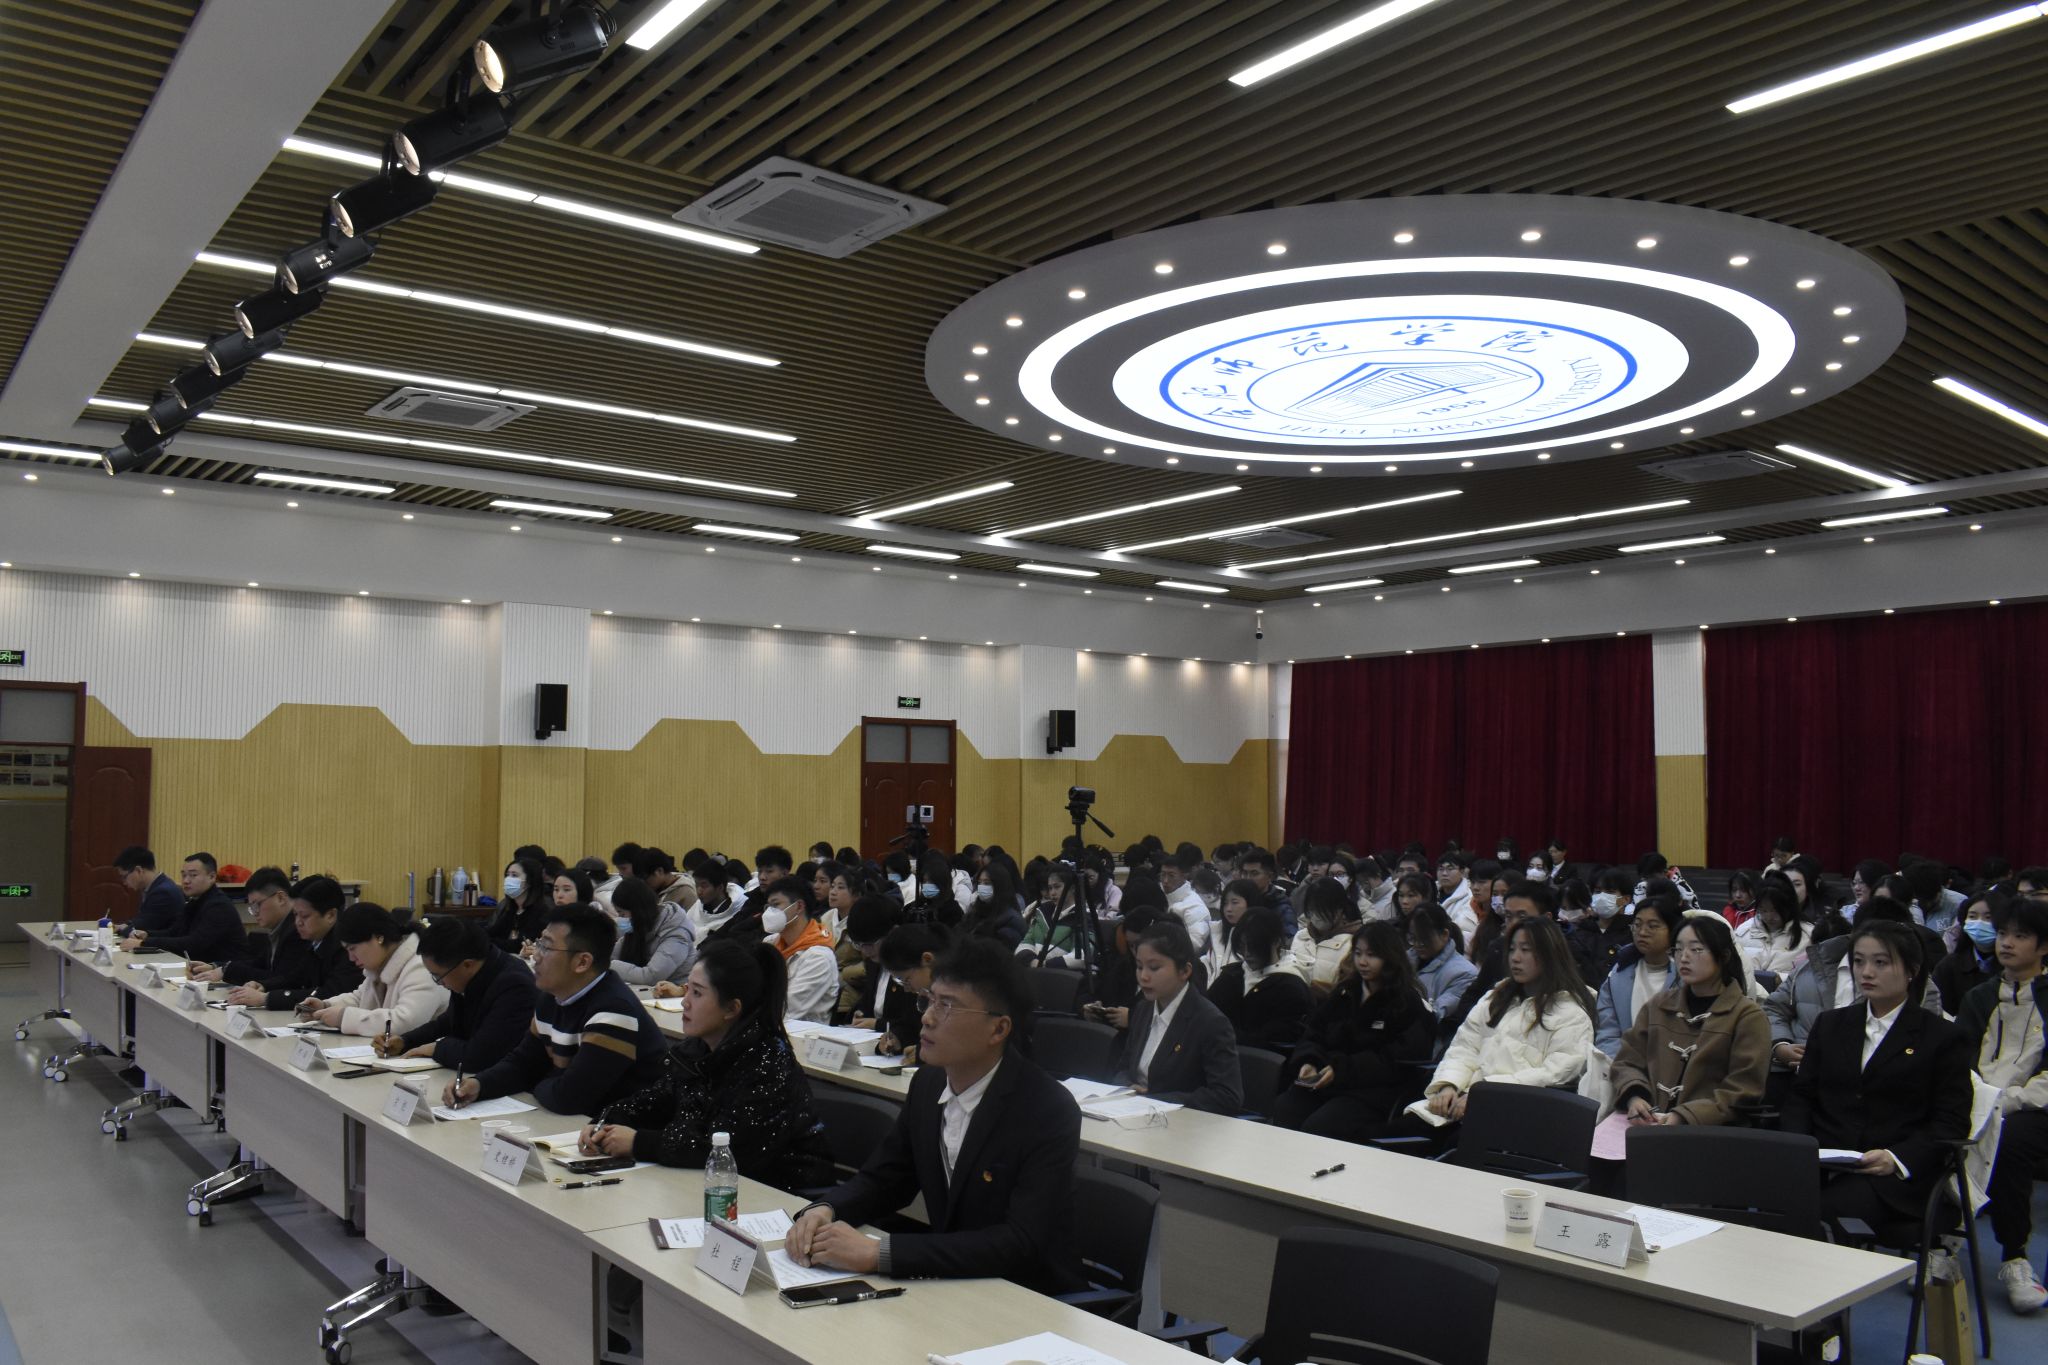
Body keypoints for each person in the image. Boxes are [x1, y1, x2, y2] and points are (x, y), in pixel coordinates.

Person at [786, 939, 1085, 1294]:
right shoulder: (928, 1084)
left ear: (999, 1029)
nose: (926, 1018)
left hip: (1030, 1295)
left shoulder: (1047, 1109)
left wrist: (879, 1253)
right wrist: (826, 1210)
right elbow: (886, 1179)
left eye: (947, 1006)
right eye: (929, 1000)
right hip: (952, 1283)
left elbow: (1019, 1241)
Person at [582, 939, 834, 1185]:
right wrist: (606, 1122)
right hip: (716, 1183)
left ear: (731, 1009)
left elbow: (725, 1146)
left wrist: (639, 1143)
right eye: (687, 989)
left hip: (783, 1192)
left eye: (697, 993)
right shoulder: (696, 1051)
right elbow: (652, 1101)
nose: (685, 1001)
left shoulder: (767, 1062)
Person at [1781, 921, 1973, 1232]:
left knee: (1819, 1212)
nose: (1866, 972)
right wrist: (1798, 1148)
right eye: (1859, 962)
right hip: (1822, 1160)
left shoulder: (1942, 1037)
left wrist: (1896, 1158)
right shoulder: (1830, 1024)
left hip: (1890, 1176)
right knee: (1762, 1197)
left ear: (1911, 970)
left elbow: (1951, 1121)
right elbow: (1802, 1096)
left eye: (1881, 963)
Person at [449, 905, 668, 1117]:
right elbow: (524, 1063)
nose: (536, 956)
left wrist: (537, 1080)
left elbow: (570, 1098)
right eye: (539, 943)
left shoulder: (614, 1011)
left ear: (582, 962)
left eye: (546, 947)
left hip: (624, 1129)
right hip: (578, 1125)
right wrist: (479, 1084)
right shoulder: (552, 997)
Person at [1414, 918, 1596, 1133]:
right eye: (1512, 949)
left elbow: (1555, 1074)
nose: (1515, 958)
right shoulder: (1495, 998)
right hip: (1462, 1103)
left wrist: (1483, 1093)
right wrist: (1448, 1084)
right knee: (1396, 1134)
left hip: (1514, 1117)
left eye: (1525, 950)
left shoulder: (1572, 1014)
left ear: (1550, 954)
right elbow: (1464, 1048)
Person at [1956, 894, 2048, 1312]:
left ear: (2043, 946)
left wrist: (2010, 1100)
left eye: (2021, 936)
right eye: (2003, 934)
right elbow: (1959, 1059)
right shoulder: (1979, 997)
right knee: (1943, 1132)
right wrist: (1982, 1100)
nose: (2007, 943)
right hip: (1979, 1100)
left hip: (2033, 1106)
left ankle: (2015, 1257)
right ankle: (1942, 1241)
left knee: (2010, 1142)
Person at [1274, 921, 1435, 1140]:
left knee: (1319, 1126)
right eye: (1358, 953)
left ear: (1390, 957)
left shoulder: (1406, 1001)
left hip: (1372, 1091)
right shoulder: (1345, 992)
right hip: (1328, 1081)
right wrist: (1309, 1060)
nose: (1362, 962)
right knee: (1285, 1108)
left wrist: (1341, 1070)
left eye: (1371, 955)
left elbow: (1397, 1059)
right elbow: (1314, 1032)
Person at [1609, 916, 1771, 1127]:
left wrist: (1685, 1116)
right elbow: (1627, 1061)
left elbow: (1743, 1088)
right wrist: (1635, 1096)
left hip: (1710, 1132)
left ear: (1723, 956)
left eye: (1696, 949)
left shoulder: (1747, 1016)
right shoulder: (1658, 1005)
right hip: (1650, 1124)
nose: (1684, 958)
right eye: (1677, 949)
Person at [1113, 920, 1241, 1113]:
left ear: (1185, 971)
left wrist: (1157, 1100)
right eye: (1139, 967)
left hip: (1181, 1123)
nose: (1144, 976)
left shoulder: (1210, 1022)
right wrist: (1128, 1087)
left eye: (1154, 968)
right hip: (1133, 1114)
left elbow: (1227, 1096)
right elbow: (1123, 1068)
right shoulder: (1143, 1009)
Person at [381, 915, 538, 1073]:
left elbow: (482, 1056)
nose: (439, 983)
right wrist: (405, 1040)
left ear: (467, 965)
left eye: (438, 976)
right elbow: (449, 1021)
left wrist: (436, 1048)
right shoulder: (473, 973)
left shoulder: (515, 986)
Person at [192, 871, 362, 1009]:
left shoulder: (349, 947)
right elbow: (295, 978)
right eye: (295, 915)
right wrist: (263, 986)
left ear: (330, 915)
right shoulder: (317, 940)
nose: (298, 922)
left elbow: (329, 993)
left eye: (304, 916)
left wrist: (266, 998)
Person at [301, 903, 446, 1037]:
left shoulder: (421, 966)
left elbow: (405, 1023)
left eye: (353, 948)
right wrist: (325, 1006)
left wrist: (343, 1018)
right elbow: (359, 999)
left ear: (378, 938)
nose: (351, 958)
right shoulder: (380, 966)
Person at [1593, 894, 1683, 1058]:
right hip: (1622, 1063)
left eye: (1653, 926)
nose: (1642, 932)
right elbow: (1607, 1032)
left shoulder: (1685, 974)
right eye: (1637, 924)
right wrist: (1623, 1066)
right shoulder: (1619, 973)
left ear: (1673, 930)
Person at [1207, 906, 1310, 1049]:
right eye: (1242, 946)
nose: (1247, 953)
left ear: (1276, 942)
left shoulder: (1291, 987)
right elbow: (1205, 1015)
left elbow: (1276, 1042)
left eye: (1255, 946)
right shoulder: (1232, 975)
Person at [119, 852, 247, 960]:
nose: (186, 881)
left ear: (212, 877)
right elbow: (175, 932)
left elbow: (194, 943)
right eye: (184, 875)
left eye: (193, 875)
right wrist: (147, 935)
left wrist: (144, 943)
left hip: (226, 973)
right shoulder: (194, 901)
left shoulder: (219, 906)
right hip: (201, 968)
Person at [762, 876, 838, 1024]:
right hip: (768, 1023)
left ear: (799, 906)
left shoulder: (819, 957)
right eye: (768, 907)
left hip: (802, 1033)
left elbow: (787, 1009)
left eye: (776, 905)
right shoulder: (770, 943)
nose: (769, 913)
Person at [873, 921, 950, 1062]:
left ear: (927, 959)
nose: (906, 988)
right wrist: (898, 1038)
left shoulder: (960, 993)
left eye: (906, 979)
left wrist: (924, 1052)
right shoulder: (921, 991)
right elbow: (911, 1025)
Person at [606, 876, 694, 987]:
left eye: (622, 913)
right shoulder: (640, 929)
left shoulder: (676, 934)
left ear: (638, 910)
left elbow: (651, 977)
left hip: (676, 992)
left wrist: (610, 965)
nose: (621, 919)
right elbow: (609, 955)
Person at [1287, 876, 1361, 996]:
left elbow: (1349, 992)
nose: (1316, 916)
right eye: (1311, 910)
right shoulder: (1301, 936)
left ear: (1340, 909)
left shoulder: (1354, 944)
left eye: (1322, 910)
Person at [1934, 891, 2004, 1016]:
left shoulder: (2012, 964)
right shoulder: (1949, 966)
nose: (1979, 923)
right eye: (1972, 916)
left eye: (1988, 917)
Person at [1410, 903, 1477, 1021]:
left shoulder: (1465, 974)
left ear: (1444, 934)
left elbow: (1435, 1014)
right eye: (1413, 938)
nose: (1418, 944)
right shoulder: (1404, 960)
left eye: (1425, 938)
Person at [1018, 864, 1089, 967]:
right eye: (1050, 888)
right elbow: (1024, 944)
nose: (1052, 893)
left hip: (1063, 975)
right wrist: (1032, 961)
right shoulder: (1042, 912)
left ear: (1072, 888)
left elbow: (1082, 956)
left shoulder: (1084, 916)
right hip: (1035, 971)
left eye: (1057, 887)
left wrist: (1044, 964)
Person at [1734, 880, 1807, 979]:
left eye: (1775, 910)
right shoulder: (1742, 932)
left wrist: (1779, 979)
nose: (1769, 917)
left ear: (1789, 907)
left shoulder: (1808, 935)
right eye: (1763, 910)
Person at [1573, 869, 1635, 986]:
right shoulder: (1580, 932)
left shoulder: (1633, 934)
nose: (1602, 896)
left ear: (1626, 899)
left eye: (1610, 892)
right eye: (1597, 891)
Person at [485, 856, 550, 955]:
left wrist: (489, 942)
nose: (508, 879)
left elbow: (518, 945)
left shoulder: (541, 912)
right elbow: (491, 933)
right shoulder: (511, 909)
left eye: (514, 875)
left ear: (529, 881)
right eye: (507, 875)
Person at [113, 846, 184, 935]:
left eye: (124, 876)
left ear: (139, 871)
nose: (124, 882)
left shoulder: (163, 893)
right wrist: (125, 925)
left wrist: (122, 929)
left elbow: (142, 929)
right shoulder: (154, 887)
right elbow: (143, 920)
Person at [1159, 852, 1213, 952]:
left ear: (1184, 876)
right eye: (1163, 875)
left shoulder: (1195, 906)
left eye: (1171, 875)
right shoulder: (1158, 894)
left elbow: (1195, 944)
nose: (1165, 881)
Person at [965, 861, 1026, 949]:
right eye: (979, 882)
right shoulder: (975, 912)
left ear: (999, 885)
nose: (981, 887)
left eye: (987, 883)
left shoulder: (1011, 921)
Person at [1239, 847, 1295, 936]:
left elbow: (1289, 939)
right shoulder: (1238, 900)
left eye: (1254, 873)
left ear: (1270, 876)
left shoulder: (1282, 908)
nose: (1248, 878)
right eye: (1244, 873)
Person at [1436, 852, 1476, 938]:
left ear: (1462, 872)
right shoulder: (1431, 890)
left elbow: (1465, 933)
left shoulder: (1470, 898)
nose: (1444, 873)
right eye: (1441, 869)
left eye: (1450, 869)